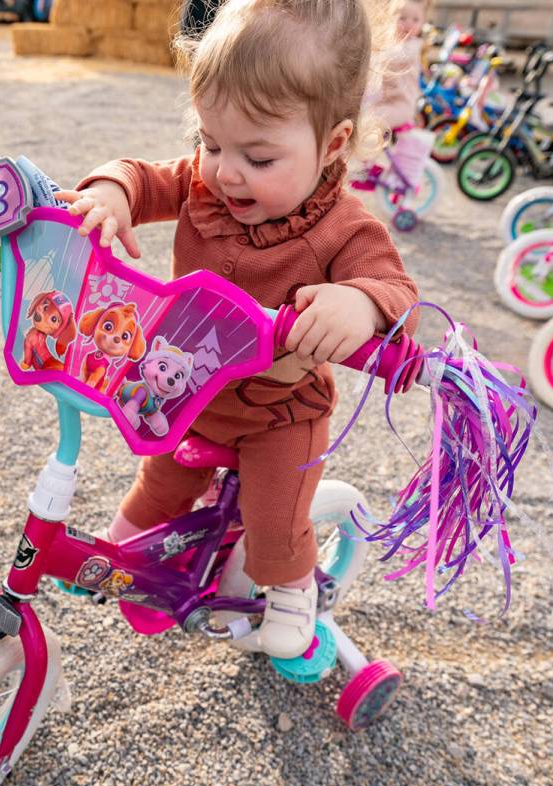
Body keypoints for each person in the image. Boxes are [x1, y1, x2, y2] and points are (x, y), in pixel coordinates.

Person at [57, 0, 420, 659]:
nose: (225, 171)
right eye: (210, 141)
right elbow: (144, 177)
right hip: (190, 390)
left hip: (277, 410)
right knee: (160, 479)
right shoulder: (204, 184)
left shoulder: (344, 227)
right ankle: (119, 550)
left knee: (275, 519)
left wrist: (359, 304)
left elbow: (395, 292)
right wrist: (110, 192)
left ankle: (291, 594)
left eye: (256, 157)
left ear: (331, 145)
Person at [369, 0, 426, 133]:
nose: (409, 23)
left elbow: (395, 57)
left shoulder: (413, 46)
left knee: (368, 120)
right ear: (390, 20)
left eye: (415, 20)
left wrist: (371, 55)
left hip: (402, 106)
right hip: (385, 102)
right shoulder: (392, 43)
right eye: (402, 18)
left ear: (422, 23)